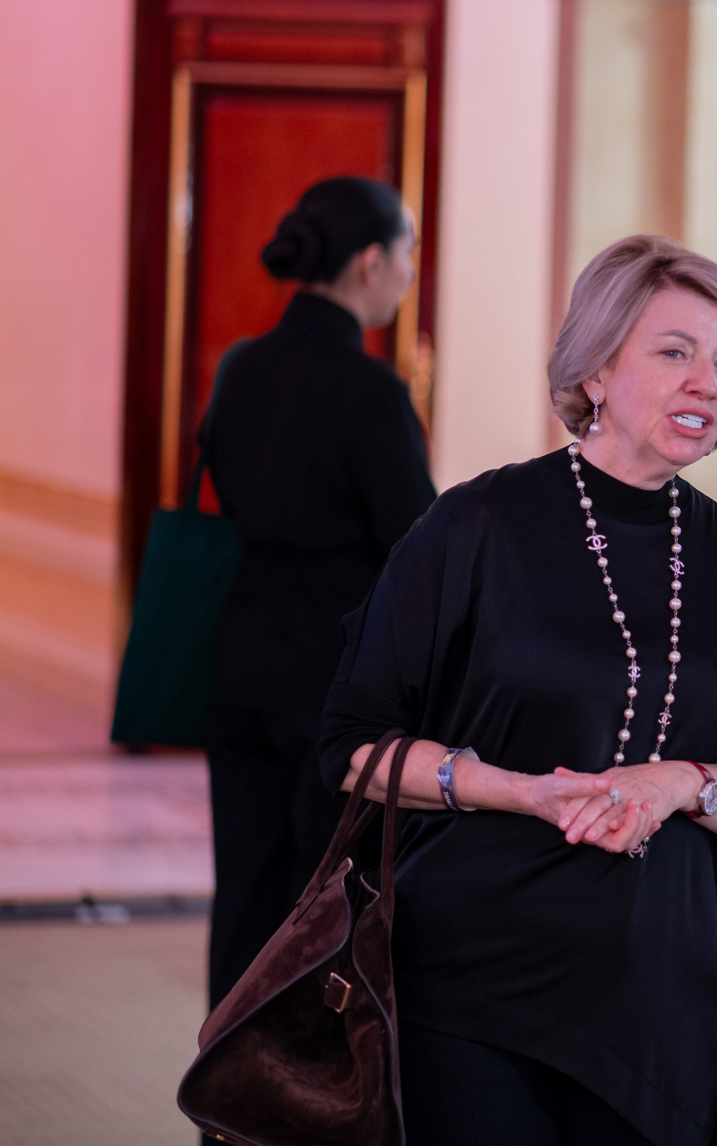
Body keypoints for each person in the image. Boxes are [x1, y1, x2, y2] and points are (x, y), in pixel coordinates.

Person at [315, 234, 717, 1146]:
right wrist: (521, 792)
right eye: (675, 351)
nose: (707, 383)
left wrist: (682, 783)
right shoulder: (476, 525)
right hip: (476, 980)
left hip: (668, 992)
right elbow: (351, 746)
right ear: (595, 370)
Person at [202, 176, 436, 1009]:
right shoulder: (368, 391)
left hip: (239, 658)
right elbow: (417, 545)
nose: (410, 270)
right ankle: (301, 1083)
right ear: (370, 261)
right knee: (324, 902)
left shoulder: (241, 367)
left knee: (245, 895)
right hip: (331, 679)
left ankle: (224, 1079)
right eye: (407, 251)